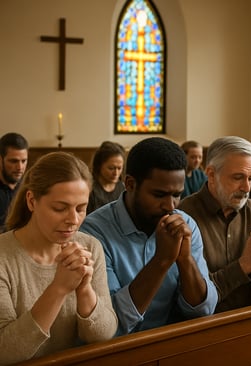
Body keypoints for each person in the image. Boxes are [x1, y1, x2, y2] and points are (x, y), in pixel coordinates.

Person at [80, 137, 217, 335]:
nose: (170, 206)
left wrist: (185, 260)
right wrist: (162, 260)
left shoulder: (185, 225)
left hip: (170, 344)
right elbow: (111, 324)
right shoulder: (93, 234)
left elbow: (205, 311)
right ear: (130, 184)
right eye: (160, 195)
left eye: (177, 195)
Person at [0, 152, 118, 364]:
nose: (73, 220)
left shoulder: (90, 247)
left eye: (81, 209)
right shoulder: (4, 257)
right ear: (31, 201)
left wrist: (84, 288)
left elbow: (103, 334)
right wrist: (59, 288)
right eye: (60, 208)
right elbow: (5, 351)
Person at [179, 136, 251, 313]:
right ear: (211, 175)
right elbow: (191, 300)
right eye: (238, 178)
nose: (247, 188)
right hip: (203, 328)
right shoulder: (185, 216)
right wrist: (244, 266)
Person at [87, 141, 126, 214]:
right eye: (111, 168)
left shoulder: (122, 188)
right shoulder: (90, 189)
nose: (116, 173)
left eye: (119, 168)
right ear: (99, 166)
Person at [0, 132, 29, 233]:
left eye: (23, 161)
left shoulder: (29, 187)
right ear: (0, 160)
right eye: (13, 161)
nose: (20, 167)